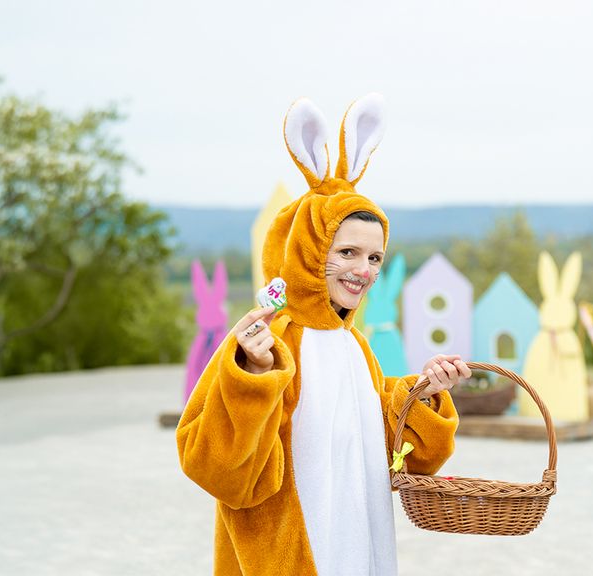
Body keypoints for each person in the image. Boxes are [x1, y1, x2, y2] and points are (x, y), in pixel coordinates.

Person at [176, 94, 470, 575]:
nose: (364, 270)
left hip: (359, 542)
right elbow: (216, 466)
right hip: (290, 549)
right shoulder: (270, 340)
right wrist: (252, 376)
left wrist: (423, 393)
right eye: (348, 252)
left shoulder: (353, 344)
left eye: (374, 258)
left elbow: (388, 443)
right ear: (307, 251)